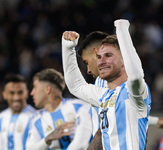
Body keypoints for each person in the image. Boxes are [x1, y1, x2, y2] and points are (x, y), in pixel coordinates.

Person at [77, 31, 163, 149]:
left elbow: (118, 118)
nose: (88, 69)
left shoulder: (124, 85)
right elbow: (119, 116)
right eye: (100, 57)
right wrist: (156, 121)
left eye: (87, 62)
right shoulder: (101, 86)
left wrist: (122, 28)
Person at [62, 19, 151, 149]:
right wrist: (68, 47)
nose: (101, 61)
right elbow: (76, 86)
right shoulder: (104, 96)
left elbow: (136, 75)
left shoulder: (134, 93)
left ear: (124, 60)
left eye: (108, 55)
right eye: (99, 57)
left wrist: (121, 29)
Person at [26, 68, 92, 150]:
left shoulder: (78, 107)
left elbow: (81, 144)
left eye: (35, 87)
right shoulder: (36, 120)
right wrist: (48, 139)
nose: (32, 93)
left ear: (48, 89)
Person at [0, 73, 37, 150]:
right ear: (4, 94)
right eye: (12, 93)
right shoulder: (1, 118)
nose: (16, 98)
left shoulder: (35, 118)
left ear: (26, 93)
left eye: (20, 92)